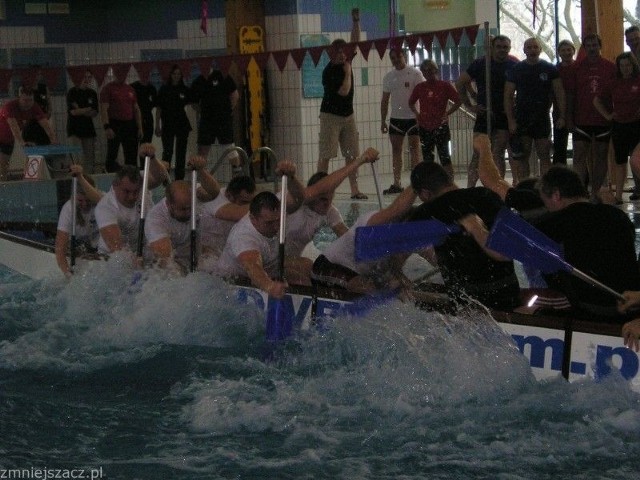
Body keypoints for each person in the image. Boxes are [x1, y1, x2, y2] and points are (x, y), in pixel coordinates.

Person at [532, 165, 640, 322]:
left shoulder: (557, 221)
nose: (547, 209)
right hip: (631, 304)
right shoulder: (618, 215)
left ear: (556, 195)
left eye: (546, 203)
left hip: (595, 310)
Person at [409, 161, 522, 311]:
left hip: (467, 304)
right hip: (509, 295)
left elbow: (503, 253)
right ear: (448, 180)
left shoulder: (425, 213)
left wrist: (476, 229)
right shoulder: (485, 195)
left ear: (424, 193)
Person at [215, 162, 306, 298]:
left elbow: (299, 198)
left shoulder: (276, 211)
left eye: (278, 221)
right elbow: (252, 266)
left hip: (268, 270)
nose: (276, 227)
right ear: (253, 218)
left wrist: (291, 177)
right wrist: (270, 287)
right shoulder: (244, 235)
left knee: (303, 274)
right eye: (269, 223)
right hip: (232, 283)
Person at [311, 187, 418, 293]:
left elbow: (394, 269)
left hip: (355, 274)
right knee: (370, 287)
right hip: (326, 267)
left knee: (397, 284)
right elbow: (396, 208)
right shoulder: (373, 226)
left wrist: (402, 281)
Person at [317, 8, 367, 200]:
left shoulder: (347, 59)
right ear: (331, 55)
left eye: (343, 52)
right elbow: (345, 91)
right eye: (337, 53)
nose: (341, 55)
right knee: (326, 154)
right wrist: (348, 71)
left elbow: (355, 42)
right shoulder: (328, 72)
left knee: (351, 154)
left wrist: (355, 21)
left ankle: (355, 189)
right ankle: (320, 188)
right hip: (330, 116)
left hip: (348, 115)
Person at [455, 34, 517, 186]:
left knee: (498, 154)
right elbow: (460, 83)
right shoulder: (480, 64)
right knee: (478, 154)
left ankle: (498, 187)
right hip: (484, 113)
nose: (502, 50)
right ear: (492, 47)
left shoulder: (514, 65)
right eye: (498, 47)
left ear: (509, 48)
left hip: (503, 115)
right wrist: (469, 105)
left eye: (505, 47)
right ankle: (471, 189)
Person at [504, 37, 565, 185]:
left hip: (542, 118)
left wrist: (562, 116)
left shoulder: (549, 69)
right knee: (523, 156)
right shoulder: (517, 69)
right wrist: (511, 120)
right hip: (522, 117)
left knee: (544, 154)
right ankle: (526, 187)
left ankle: (545, 187)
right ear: (524, 50)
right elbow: (508, 96)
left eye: (535, 47)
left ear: (540, 49)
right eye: (529, 47)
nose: (532, 50)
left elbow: (559, 93)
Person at [144, 155, 220, 272]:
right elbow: (166, 260)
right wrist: (187, 277)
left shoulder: (192, 197)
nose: (189, 212)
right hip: (166, 265)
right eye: (183, 209)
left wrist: (201, 170)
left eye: (190, 208)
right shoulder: (156, 218)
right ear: (169, 205)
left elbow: (214, 192)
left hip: (192, 257)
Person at [565, 33, 615, 201]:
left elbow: (616, 93)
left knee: (601, 155)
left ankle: (595, 191)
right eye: (589, 46)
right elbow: (570, 95)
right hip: (581, 119)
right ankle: (580, 192)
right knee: (579, 155)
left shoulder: (610, 67)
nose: (592, 48)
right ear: (584, 48)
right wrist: (569, 118)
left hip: (603, 120)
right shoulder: (576, 68)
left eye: (595, 45)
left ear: (599, 46)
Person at [94, 144, 168, 256]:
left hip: (142, 251)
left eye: (135, 192)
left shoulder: (141, 182)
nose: (132, 197)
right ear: (115, 186)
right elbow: (116, 248)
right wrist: (133, 262)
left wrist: (152, 158)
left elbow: (160, 177)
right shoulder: (105, 207)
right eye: (127, 191)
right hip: (111, 258)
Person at [593, 52, 640, 204]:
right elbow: (597, 100)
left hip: (637, 124)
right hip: (619, 125)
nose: (626, 68)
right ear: (618, 67)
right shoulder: (614, 83)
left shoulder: (638, 81)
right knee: (620, 161)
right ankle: (618, 195)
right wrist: (607, 115)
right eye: (623, 66)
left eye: (628, 65)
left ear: (633, 66)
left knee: (636, 159)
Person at [408, 59, 462, 180]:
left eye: (430, 71)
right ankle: (430, 183)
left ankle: (449, 183)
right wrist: (417, 114)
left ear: (436, 70)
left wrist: (447, 113)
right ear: (422, 73)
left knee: (445, 157)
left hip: (440, 126)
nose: (428, 74)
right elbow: (411, 102)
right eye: (425, 71)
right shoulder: (420, 87)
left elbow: (458, 100)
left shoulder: (444, 86)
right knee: (428, 159)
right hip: (425, 126)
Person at [380, 48, 424, 194]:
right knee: (396, 151)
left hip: (413, 118)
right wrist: (382, 120)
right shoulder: (389, 77)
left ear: (404, 56)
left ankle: (416, 183)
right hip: (396, 119)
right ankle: (396, 182)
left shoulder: (415, 74)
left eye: (398, 56)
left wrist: (421, 115)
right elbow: (385, 100)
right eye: (392, 58)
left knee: (415, 150)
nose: (396, 60)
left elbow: (423, 95)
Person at [0, 84, 58, 181]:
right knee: (2, 166)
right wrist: (22, 143)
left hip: (8, 140)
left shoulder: (34, 107)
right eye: (25, 100)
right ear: (19, 99)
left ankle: (4, 189)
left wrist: (53, 139)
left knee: (4, 168)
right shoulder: (10, 106)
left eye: (30, 100)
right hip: (6, 136)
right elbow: (14, 127)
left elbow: (46, 125)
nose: (28, 103)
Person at [54, 164, 103, 277]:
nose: (85, 204)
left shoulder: (101, 202)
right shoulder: (68, 209)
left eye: (88, 200)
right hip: (78, 247)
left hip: (97, 249)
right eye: (80, 200)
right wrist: (67, 273)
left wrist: (80, 176)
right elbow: (60, 249)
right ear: (74, 196)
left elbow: (99, 199)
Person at [191, 68, 241, 175]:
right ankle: (202, 178)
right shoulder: (198, 81)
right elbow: (194, 104)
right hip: (207, 121)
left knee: (230, 148)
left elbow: (235, 95)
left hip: (223, 120)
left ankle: (237, 175)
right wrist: (205, 112)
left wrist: (227, 110)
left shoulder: (223, 76)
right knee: (203, 150)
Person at [155, 65, 192, 180]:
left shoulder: (184, 89)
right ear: (170, 75)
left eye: (178, 74)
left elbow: (193, 103)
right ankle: (165, 178)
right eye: (174, 74)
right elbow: (159, 109)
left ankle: (179, 178)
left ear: (181, 76)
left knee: (181, 152)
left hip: (181, 123)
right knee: (168, 152)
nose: (176, 76)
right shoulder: (164, 89)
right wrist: (157, 125)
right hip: (168, 124)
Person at [100, 76, 143, 172]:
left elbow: (136, 109)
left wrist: (140, 128)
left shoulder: (130, 89)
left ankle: (131, 176)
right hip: (114, 123)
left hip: (129, 124)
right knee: (112, 154)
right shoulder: (108, 88)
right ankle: (113, 176)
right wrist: (107, 127)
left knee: (131, 155)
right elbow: (104, 109)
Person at [66, 69, 99, 173]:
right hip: (74, 129)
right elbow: (73, 112)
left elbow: (94, 113)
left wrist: (80, 109)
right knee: (76, 159)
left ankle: (89, 181)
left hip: (88, 129)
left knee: (89, 158)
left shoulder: (92, 93)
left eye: (89, 77)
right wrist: (88, 108)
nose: (87, 79)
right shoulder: (72, 92)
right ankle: (77, 181)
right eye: (85, 77)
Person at [553, 39, 575, 165]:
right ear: (559, 53)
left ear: (573, 51)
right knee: (559, 147)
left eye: (569, 50)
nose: (566, 53)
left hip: (577, 112)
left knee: (581, 147)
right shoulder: (555, 70)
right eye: (563, 50)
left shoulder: (578, 68)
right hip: (559, 113)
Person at [130, 77, 157, 144]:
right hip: (134, 119)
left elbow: (154, 103)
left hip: (147, 119)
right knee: (132, 147)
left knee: (146, 146)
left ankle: (146, 155)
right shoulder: (132, 87)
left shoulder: (152, 88)